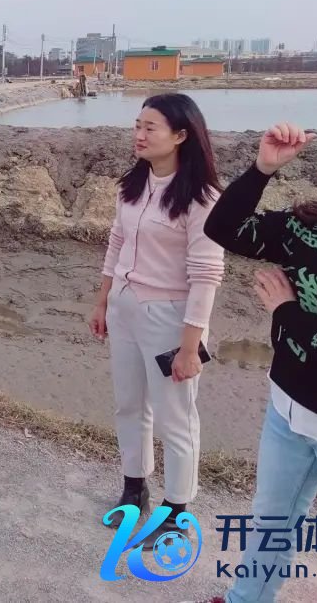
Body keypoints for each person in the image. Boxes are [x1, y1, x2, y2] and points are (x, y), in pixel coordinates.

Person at [190, 109, 317, 603]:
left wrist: (285, 311)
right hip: (289, 409)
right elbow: (224, 227)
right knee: (270, 521)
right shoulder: (311, 226)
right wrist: (263, 168)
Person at [89, 93, 225, 542]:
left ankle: (177, 510)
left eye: (150, 127)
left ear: (181, 135)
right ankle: (134, 489)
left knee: (175, 416)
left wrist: (190, 346)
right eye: (137, 125)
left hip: (170, 317)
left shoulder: (202, 198)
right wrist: (103, 301)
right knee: (129, 403)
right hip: (125, 306)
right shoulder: (132, 185)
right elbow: (117, 242)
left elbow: (206, 275)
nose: (140, 135)